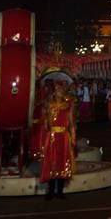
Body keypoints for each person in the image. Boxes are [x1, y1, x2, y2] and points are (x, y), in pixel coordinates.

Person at [39, 70, 76, 200]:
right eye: (57, 89)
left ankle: (60, 191)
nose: (59, 91)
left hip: (64, 137)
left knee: (62, 162)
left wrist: (73, 138)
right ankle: (50, 191)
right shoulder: (48, 105)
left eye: (62, 89)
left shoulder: (68, 105)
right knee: (51, 162)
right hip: (52, 136)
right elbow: (44, 124)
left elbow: (71, 123)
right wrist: (43, 140)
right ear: (54, 90)